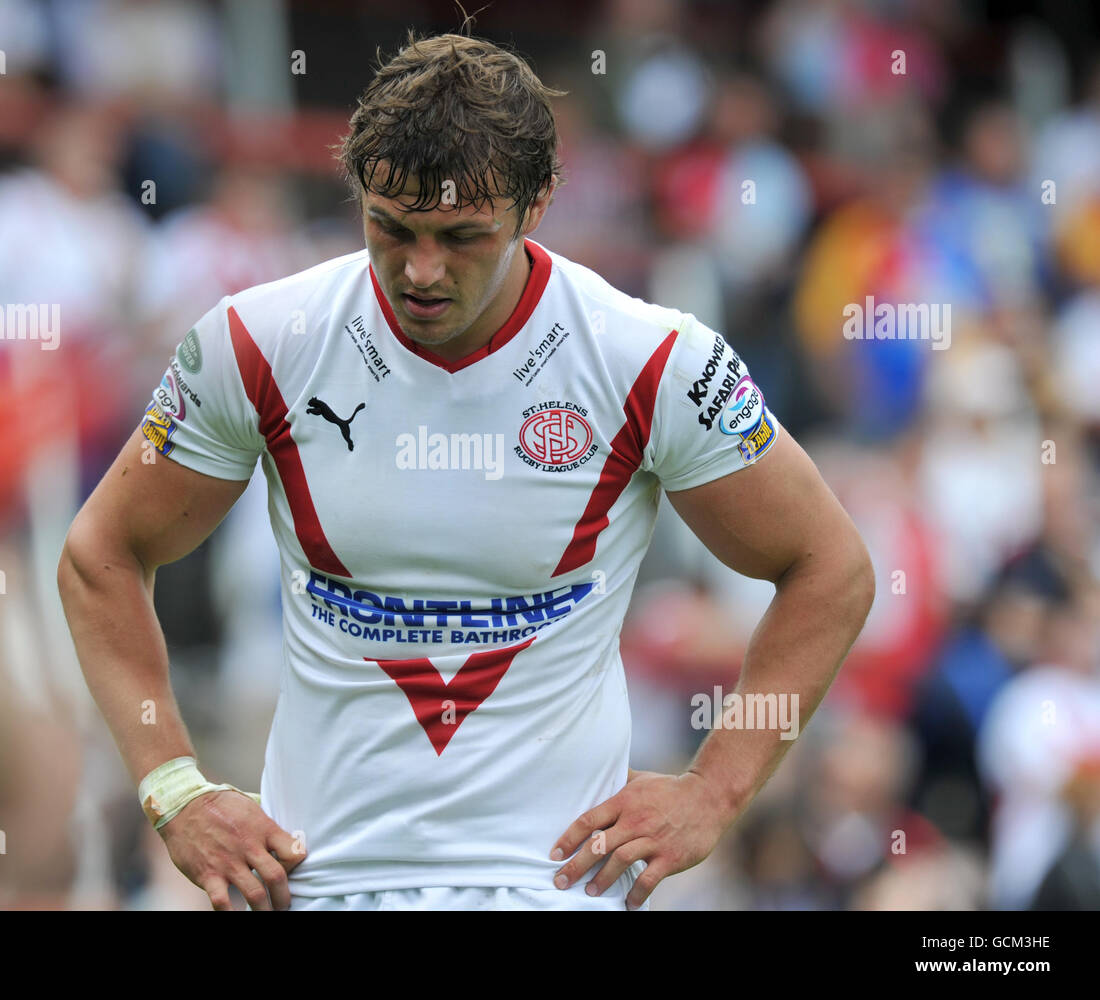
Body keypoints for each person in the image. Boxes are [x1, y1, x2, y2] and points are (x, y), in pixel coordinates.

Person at [57, 31, 875, 911]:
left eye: (462, 236)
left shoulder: (651, 359)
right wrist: (174, 788)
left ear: (539, 202)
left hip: (557, 890)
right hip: (319, 886)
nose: (421, 270)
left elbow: (831, 570)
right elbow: (99, 555)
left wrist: (714, 792)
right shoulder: (258, 342)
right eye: (391, 227)